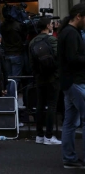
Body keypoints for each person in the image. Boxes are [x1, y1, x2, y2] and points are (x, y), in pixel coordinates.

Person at [57, 3, 85, 169]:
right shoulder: (72, 34)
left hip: (69, 82)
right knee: (74, 121)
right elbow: (73, 58)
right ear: (79, 16)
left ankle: (69, 158)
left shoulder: (66, 32)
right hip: (75, 82)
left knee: (70, 122)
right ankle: (69, 158)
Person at [28, 17, 61, 145]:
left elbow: (31, 62)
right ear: (48, 26)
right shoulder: (52, 39)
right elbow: (59, 57)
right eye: (51, 24)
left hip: (39, 77)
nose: (53, 26)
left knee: (40, 105)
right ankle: (49, 135)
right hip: (53, 77)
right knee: (52, 105)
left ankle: (39, 135)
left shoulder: (32, 42)